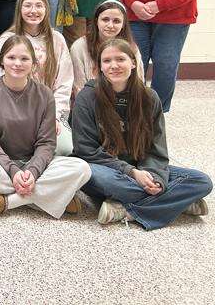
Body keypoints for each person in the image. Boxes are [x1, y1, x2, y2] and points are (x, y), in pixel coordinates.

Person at [72, 38, 211, 229]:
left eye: (120, 59)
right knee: (97, 177)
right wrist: (132, 173)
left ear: (133, 62)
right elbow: (86, 150)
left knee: (201, 182)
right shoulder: (87, 97)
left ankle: (125, 209)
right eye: (107, 61)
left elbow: (156, 149)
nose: (114, 65)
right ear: (100, 67)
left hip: (141, 166)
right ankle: (179, 201)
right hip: (104, 168)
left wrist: (156, 178)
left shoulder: (149, 97)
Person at [0, 35, 91, 218]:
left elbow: (46, 143)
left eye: (24, 59)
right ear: (1, 61)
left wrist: (32, 171)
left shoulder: (45, 94)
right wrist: (13, 170)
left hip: (34, 161)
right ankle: (53, 196)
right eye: (11, 57)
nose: (17, 63)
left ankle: (8, 202)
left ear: (33, 64)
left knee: (82, 168)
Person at [0, 0, 74, 155]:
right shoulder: (7, 39)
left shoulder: (57, 39)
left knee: (64, 148)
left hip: (50, 111)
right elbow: (4, 82)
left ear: (46, 9)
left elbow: (64, 83)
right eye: (28, 5)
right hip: (17, 111)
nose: (33, 11)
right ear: (19, 9)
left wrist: (53, 116)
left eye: (39, 6)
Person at [70, 0, 143, 97]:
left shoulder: (131, 48)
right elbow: (79, 86)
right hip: (89, 101)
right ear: (96, 21)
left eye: (116, 21)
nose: (110, 25)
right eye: (105, 20)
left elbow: (138, 84)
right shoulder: (79, 47)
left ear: (123, 24)